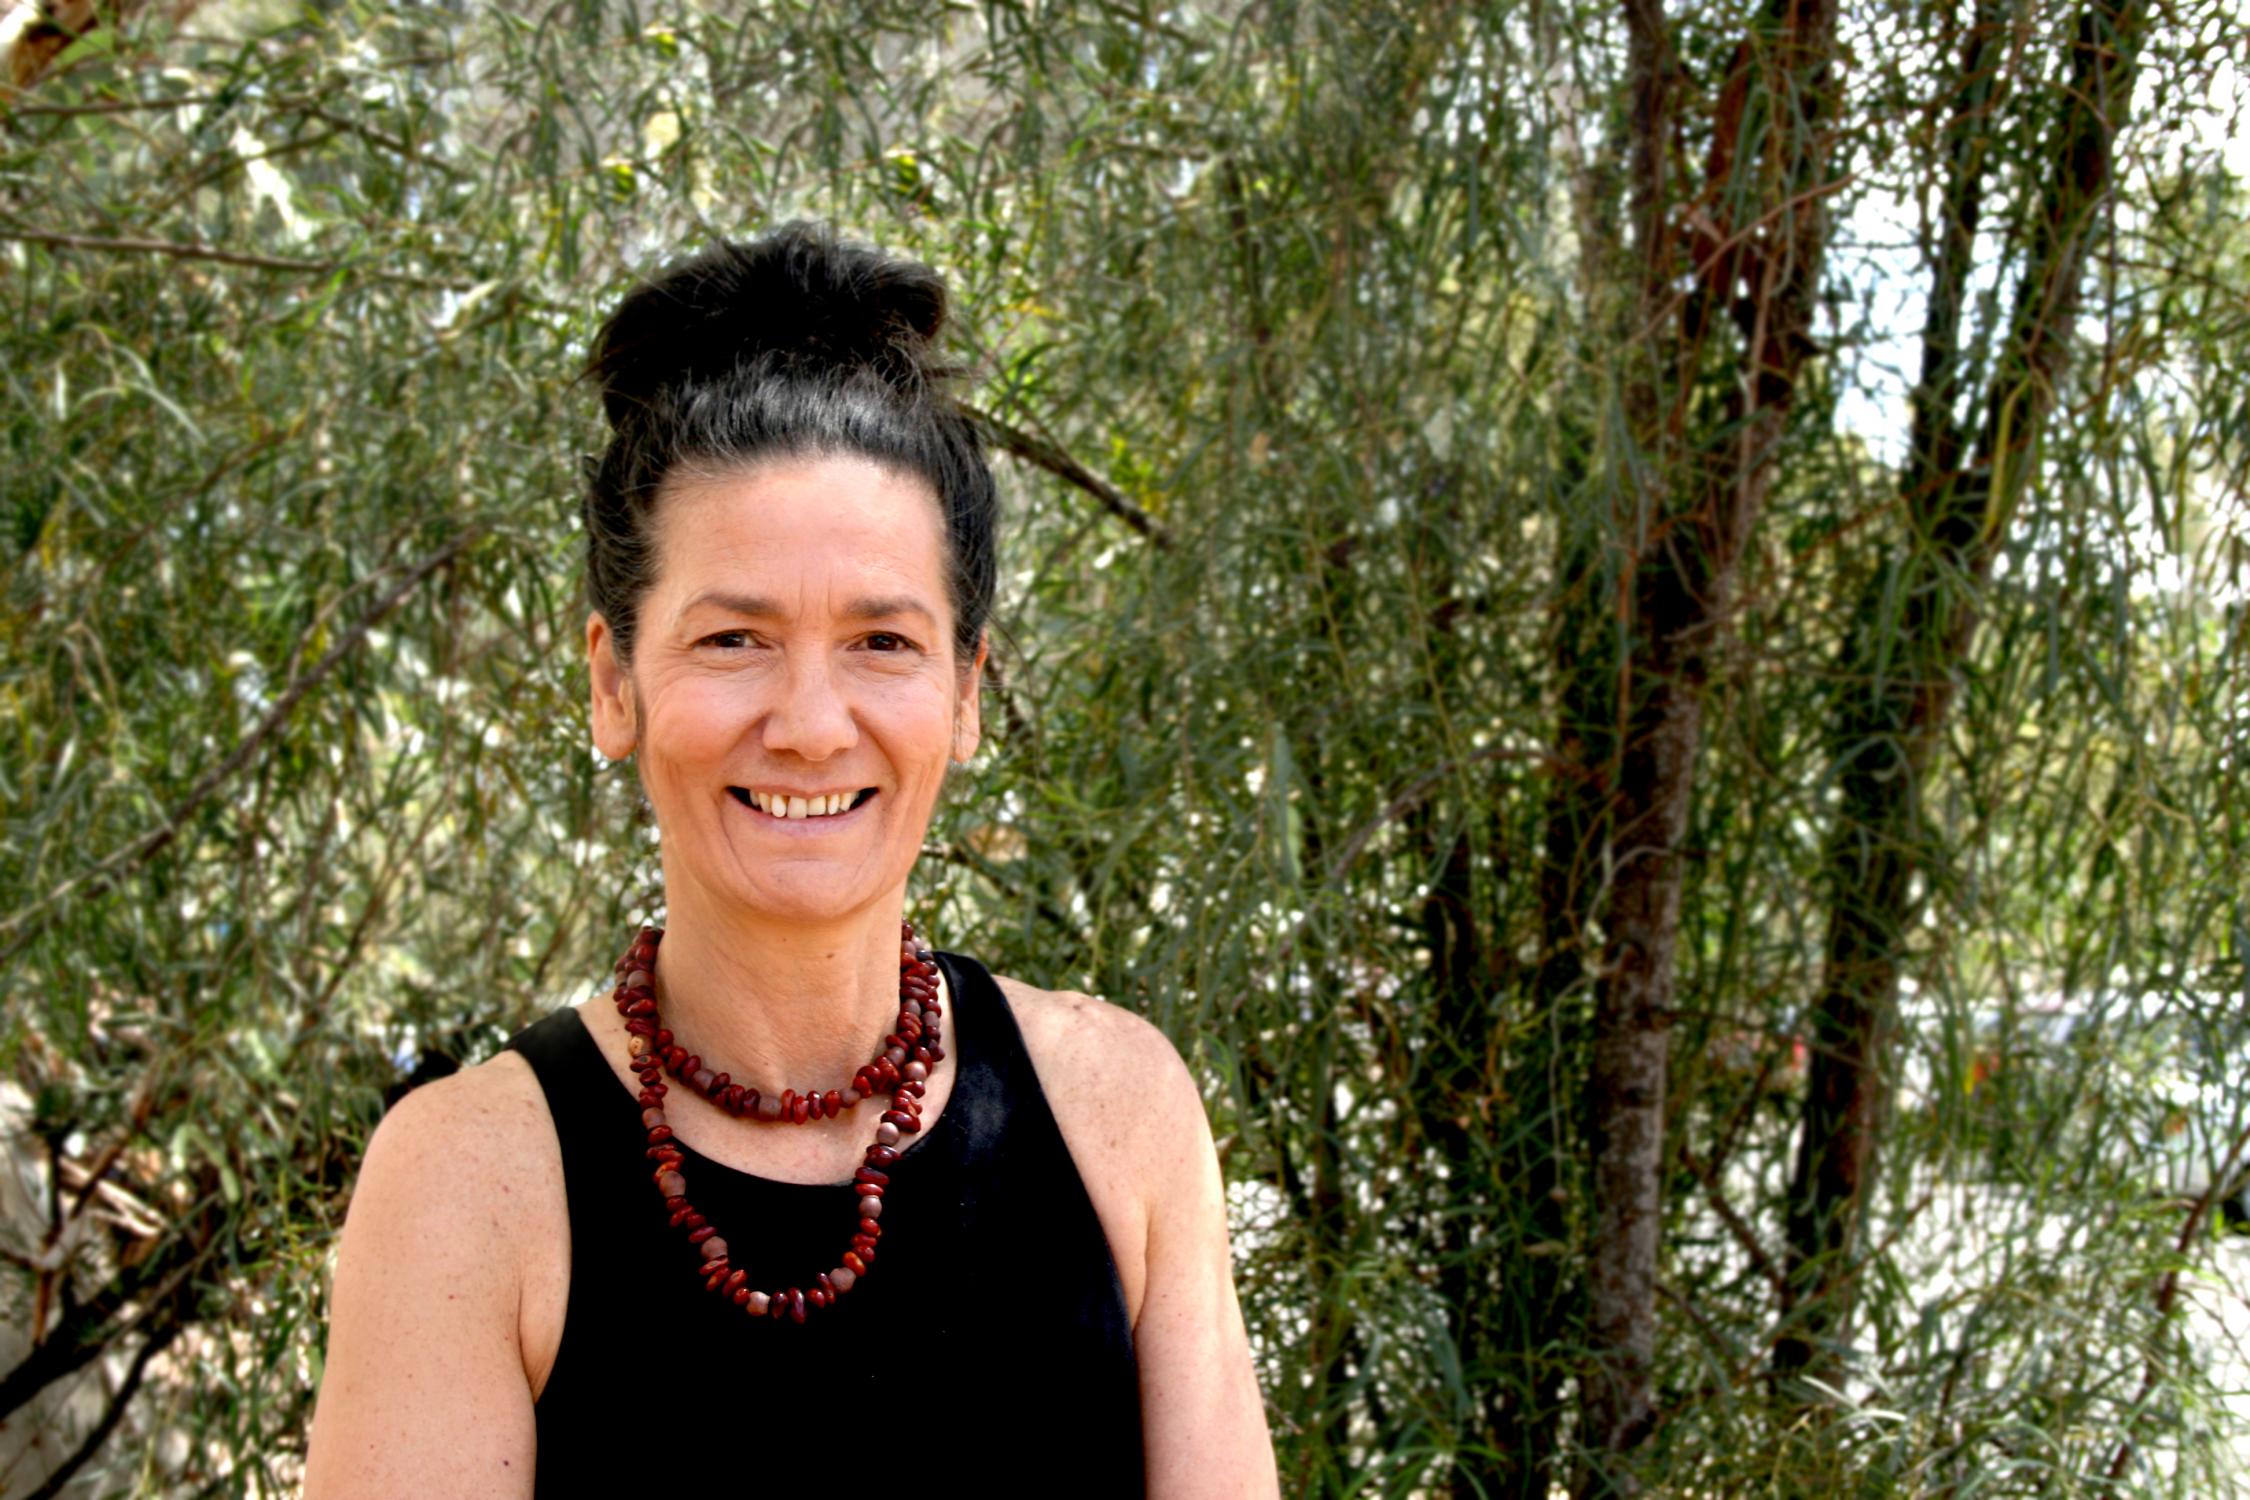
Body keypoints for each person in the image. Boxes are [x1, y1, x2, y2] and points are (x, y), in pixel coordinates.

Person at [302, 224, 1279, 1498]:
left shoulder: (1120, 1116)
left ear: (968, 693)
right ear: (613, 684)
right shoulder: (470, 1185)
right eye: (734, 641)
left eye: (882, 642)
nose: (814, 724)